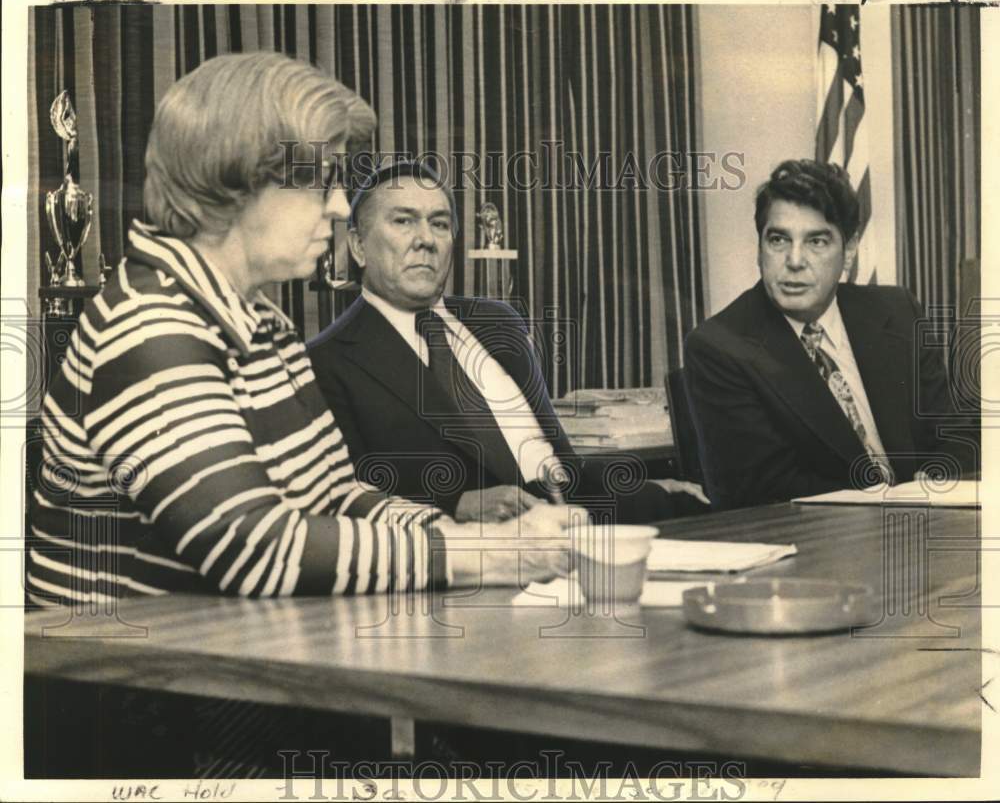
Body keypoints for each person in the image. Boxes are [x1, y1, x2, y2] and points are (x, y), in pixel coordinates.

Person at [26, 53, 576, 607]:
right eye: (320, 184)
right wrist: (481, 554)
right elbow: (252, 546)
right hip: (140, 677)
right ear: (234, 182)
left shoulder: (261, 321)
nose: (339, 207)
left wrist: (476, 538)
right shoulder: (149, 324)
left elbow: (335, 497)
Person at [306, 160, 708, 525]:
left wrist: (653, 485)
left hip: (584, 523)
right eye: (404, 221)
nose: (426, 239)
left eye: (440, 224)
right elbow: (344, 500)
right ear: (358, 246)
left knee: (711, 509)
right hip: (472, 550)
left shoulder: (497, 322)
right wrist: (457, 504)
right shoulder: (328, 361)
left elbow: (556, 464)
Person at [683, 159, 979, 511]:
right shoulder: (721, 346)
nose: (794, 260)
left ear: (849, 250)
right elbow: (756, 491)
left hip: (921, 525)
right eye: (778, 239)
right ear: (760, 247)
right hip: (816, 543)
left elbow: (953, 433)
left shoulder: (896, 311)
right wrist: (891, 502)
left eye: (817, 241)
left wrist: (932, 487)